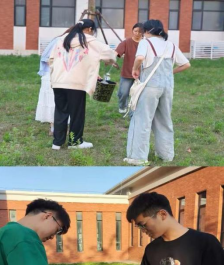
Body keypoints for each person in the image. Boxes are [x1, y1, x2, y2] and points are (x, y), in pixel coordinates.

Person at [125, 20, 191, 165]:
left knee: (142, 120)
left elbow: (140, 57)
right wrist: (170, 72)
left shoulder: (146, 42)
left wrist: (135, 69)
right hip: (167, 87)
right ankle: (166, 155)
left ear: (147, 31)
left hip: (150, 87)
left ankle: (137, 157)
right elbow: (186, 64)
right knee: (164, 120)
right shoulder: (170, 45)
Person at [48, 19, 118, 150]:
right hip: (76, 83)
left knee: (60, 112)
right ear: (90, 29)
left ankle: (57, 143)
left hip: (58, 81)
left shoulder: (62, 39)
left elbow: (51, 59)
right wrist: (109, 60)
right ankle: (75, 142)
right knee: (77, 113)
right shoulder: (89, 40)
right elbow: (109, 52)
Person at [115, 23, 144, 114]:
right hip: (127, 72)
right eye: (135, 31)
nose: (137, 33)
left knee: (138, 94)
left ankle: (133, 111)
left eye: (140, 32)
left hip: (142, 73)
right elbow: (117, 52)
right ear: (132, 31)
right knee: (123, 93)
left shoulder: (145, 43)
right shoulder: (126, 42)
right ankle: (122, 106)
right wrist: (112, 60)